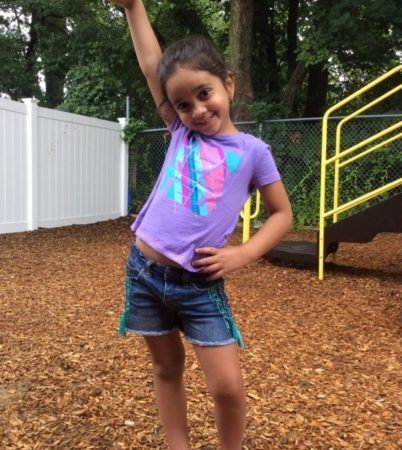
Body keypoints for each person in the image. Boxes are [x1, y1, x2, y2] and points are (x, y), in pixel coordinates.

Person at [112, 1, 293, 449]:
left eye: (204, 93)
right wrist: (134, 8)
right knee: (166, 368)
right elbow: (153, 65)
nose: (196, 109)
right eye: (182, 103)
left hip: (199, 284)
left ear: (228, 83)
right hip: (145, 273)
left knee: (227, 387)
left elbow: (283, 214)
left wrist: (244, 253)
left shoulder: (253, 152)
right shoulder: (180, 131)